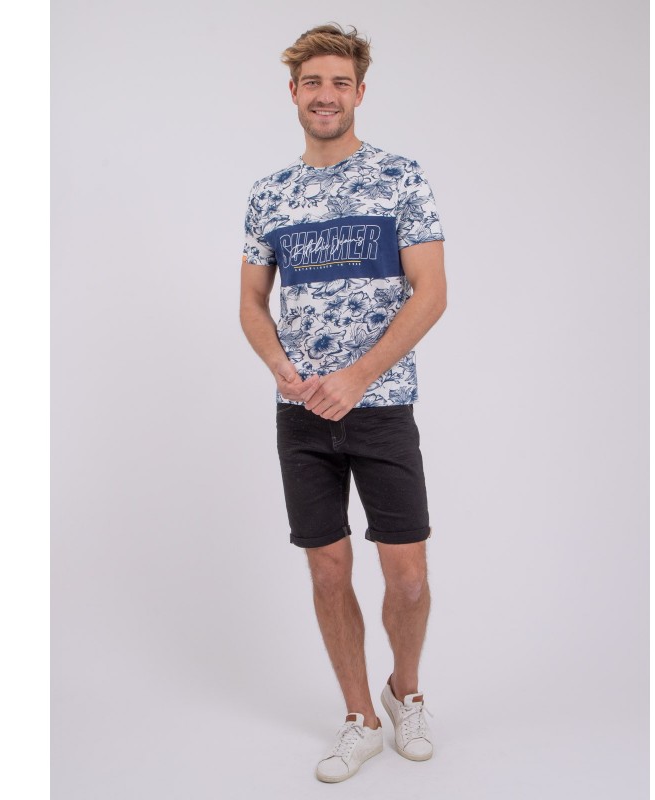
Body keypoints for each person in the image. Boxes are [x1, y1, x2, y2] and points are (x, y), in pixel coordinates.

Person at [239, 23, 447, 783]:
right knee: (328, 572)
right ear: (293, 93)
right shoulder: (270, 194)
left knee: (408, 577)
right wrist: (279, 366)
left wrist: (358, 377)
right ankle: (360, 716)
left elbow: (431, 294)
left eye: (338, 83)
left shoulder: (399, 178)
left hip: (382, 405)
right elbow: (252, 303)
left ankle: (406, 691)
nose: (324, 95)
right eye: (312, 83)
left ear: (359, 92)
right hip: (301, 416)